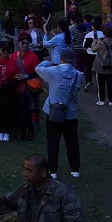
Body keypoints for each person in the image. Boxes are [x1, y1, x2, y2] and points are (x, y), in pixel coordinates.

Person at [36, 50, 85, 179]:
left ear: (61, 58)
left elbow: (38, 68)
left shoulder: (53, 71)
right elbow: (77, 89)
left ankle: (53, 170)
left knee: (53, 141)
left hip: (53, 112)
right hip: (71, 113)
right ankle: (75, 169)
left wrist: (49, 62)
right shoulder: (78, 75)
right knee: (72, 142)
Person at [13, 36, 42, 140]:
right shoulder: (14, 56)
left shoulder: (33, 57)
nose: (24, 45)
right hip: (17, 87)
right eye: (22, 43)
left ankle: (30, 132)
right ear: (19, 43)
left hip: (29, 88)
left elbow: (38, 72)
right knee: (20, 110)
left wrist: (26, 76)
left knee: (30, 111)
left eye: (26, 43)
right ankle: (22, 131)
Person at [90, 25, 112, 106]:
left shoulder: (101, 43)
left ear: (104, 34)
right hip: (111, 65)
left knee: (101, 84)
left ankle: (101, 100)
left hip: (100, 66)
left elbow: (93, 49)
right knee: (110, 84)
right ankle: (111, 100)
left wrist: (95, 41)